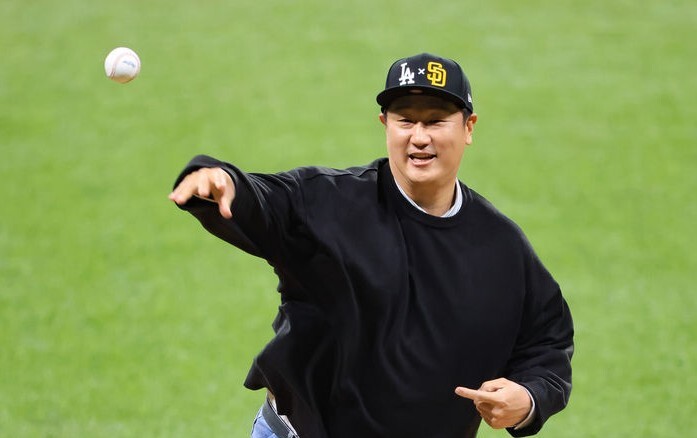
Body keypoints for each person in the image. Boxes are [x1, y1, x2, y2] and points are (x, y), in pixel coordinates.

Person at [169, 53, 574, 438]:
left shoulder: (500, 247)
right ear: (385, 124)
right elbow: (267, 201)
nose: (419, 137)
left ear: (468, 128)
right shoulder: (331, 203)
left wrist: (529, 398)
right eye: (405, 120)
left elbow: (547, 340)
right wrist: (224, 182)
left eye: (436, 121)